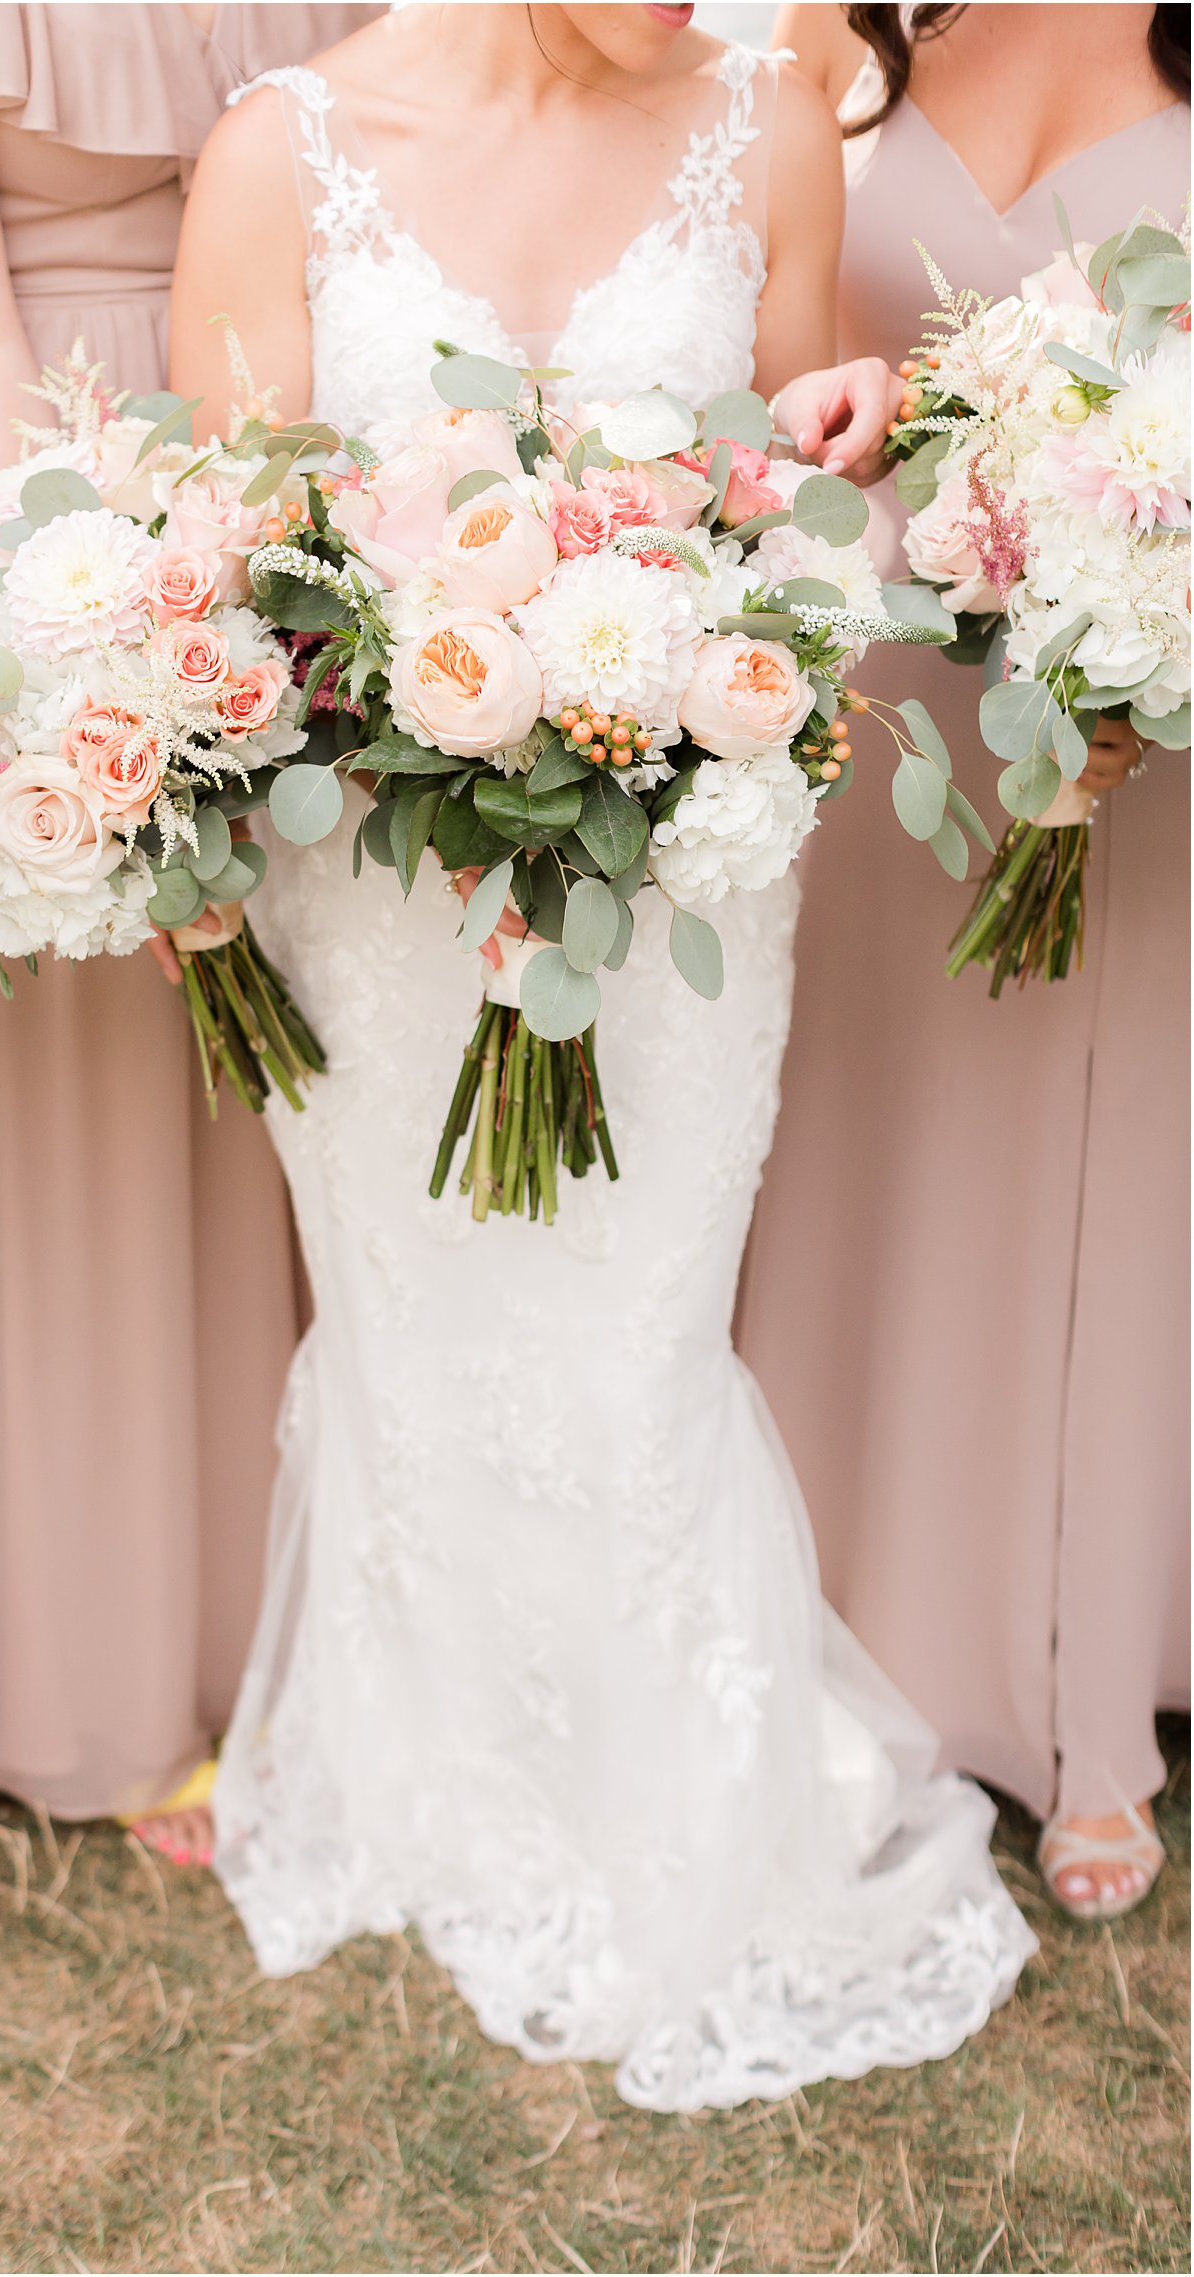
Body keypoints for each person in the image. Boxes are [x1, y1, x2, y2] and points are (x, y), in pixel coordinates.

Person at [168, 2, 1034, 2113]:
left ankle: (677, 1784)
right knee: (418, 1296)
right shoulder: (281, 154)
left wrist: (827, 440)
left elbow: (769, 509)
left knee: (637, 1321)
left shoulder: (766, 124)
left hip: (678, 866)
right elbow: (237, 590)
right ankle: (443, 1769)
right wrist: (435, 744)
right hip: (374, 881)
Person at [0, 2, 374, 1863]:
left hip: (256, 481)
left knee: (251, 1097)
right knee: (75, 1097)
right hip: (8, 507)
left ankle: (272, 1623)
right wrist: (93, 633)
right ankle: (82, 1677)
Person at [744, 0, 1189, 1920]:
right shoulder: (838, 50)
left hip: (1140, 729)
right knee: (879, 1150)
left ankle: (1101, 1707)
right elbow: (783, 382)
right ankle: (844, 1636)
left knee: (1111, 1180)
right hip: (901, 711)